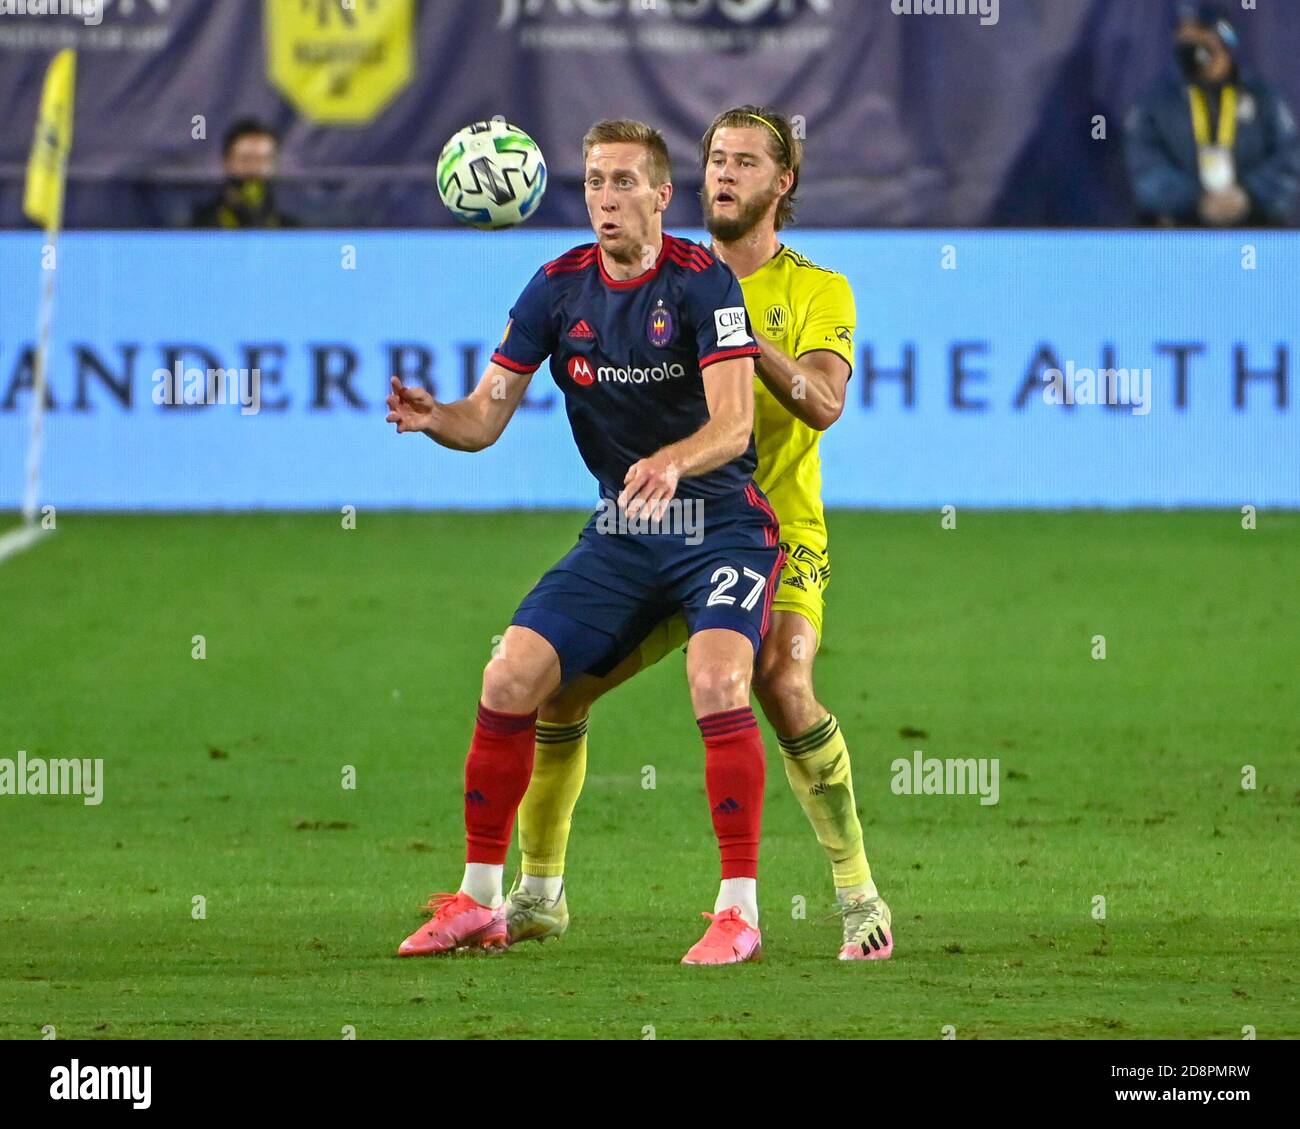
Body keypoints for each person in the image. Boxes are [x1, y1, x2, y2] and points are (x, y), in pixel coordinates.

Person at [388, 119, 782, 965]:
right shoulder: (556, 288)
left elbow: (736, 420)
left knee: (716, 679)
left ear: (662, 193)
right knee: (511, 671)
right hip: (625, 530)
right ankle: (482, 898)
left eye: (624, 182)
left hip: (722, 527)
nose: (606, 198)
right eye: (595, 181)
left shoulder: (703, 280)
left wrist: (673, 462)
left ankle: (739, 911)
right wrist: (436, 420)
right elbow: (486, 414)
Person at [506, 106, 892, 962]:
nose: (726, 175)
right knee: (557, 690)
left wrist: (746, 340)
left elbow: (825, 405)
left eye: (747, 163)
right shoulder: (666, 276)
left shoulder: (817, 290)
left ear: (781, 183)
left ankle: (857, 891)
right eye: (717, 159)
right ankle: (539, 893)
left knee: (780, 681)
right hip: (660, 531)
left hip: (770, 528)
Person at [1126, 3, 1300, 227]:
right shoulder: (1156, 102)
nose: (1188, 43)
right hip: (1177, 235)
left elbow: (1288, 159)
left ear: (1222, 39)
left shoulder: (1263, 98)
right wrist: (1195, 199)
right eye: (1183, 37)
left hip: (1255, 232)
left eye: (1198, 34)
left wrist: (1247, 195)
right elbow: (1144, 167)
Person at [192, 119, 299, 229]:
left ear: (275, 164)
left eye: (262, 160)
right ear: (226, 162)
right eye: (245, 159)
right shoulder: (199, 227)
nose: (253, 168)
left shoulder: (294, 229)